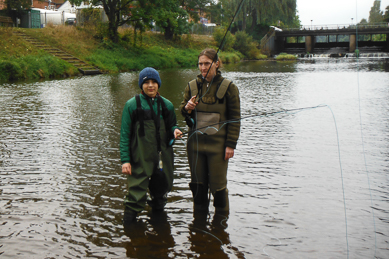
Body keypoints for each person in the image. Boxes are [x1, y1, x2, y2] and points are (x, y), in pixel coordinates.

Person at [179, 48, 241, 214]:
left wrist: (231, 145)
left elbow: (235, 119)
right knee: (198, 187)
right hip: (195, 147)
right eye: (200, 64)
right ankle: (199, 225)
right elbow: (184, 115)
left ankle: (220, 225)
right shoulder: (191, 87)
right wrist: (187, 108)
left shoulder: (229, 88)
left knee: (218, 189)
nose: (203, 67)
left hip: (219, 148)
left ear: (217, 63)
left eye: (207, 63)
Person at [120, 67, 182, 225]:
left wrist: (175, 131)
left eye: (154, 82)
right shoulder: (131, 105)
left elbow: (172, 125)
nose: (150, 85)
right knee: (136, 192)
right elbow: (125, 135)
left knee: (161, 190)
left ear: (158, 84)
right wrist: (125, 160)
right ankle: (130, 230)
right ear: (141, 85)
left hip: (163, 156)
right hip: (139, 156)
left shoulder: (167, 105)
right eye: (146, 82)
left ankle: (159, 224)